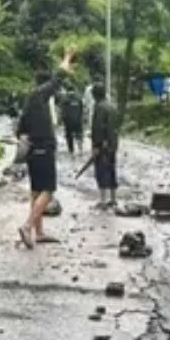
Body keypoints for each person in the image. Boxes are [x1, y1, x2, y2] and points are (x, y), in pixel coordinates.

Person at [16, 48, 76, 248]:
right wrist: (67, 57)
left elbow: (20, 130)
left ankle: (39, 232)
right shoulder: (39, 95)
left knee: (36, 191)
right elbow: (58, 77)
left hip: (33, 150)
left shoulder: (28, 101)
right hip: (43, 148)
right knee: (48, 191)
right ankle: (27, 226)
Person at [89, 83, 119, 208]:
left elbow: (98, 127)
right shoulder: (112, 106)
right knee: (111, 170)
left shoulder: (99, 107)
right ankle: (113, 198)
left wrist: (96, 145)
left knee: (101, 171)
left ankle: (103, 200)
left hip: (102, 145)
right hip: (112, 144)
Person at [60, 87, 84, 156]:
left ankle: (71, 151)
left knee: (69, 137)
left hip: (68, 122)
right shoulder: (79, 98)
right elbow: (81, 109)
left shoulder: (65, 99)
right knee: (79, 135)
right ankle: (80, 150)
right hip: (78, 121)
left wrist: (63, 120)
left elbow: (63, 111)